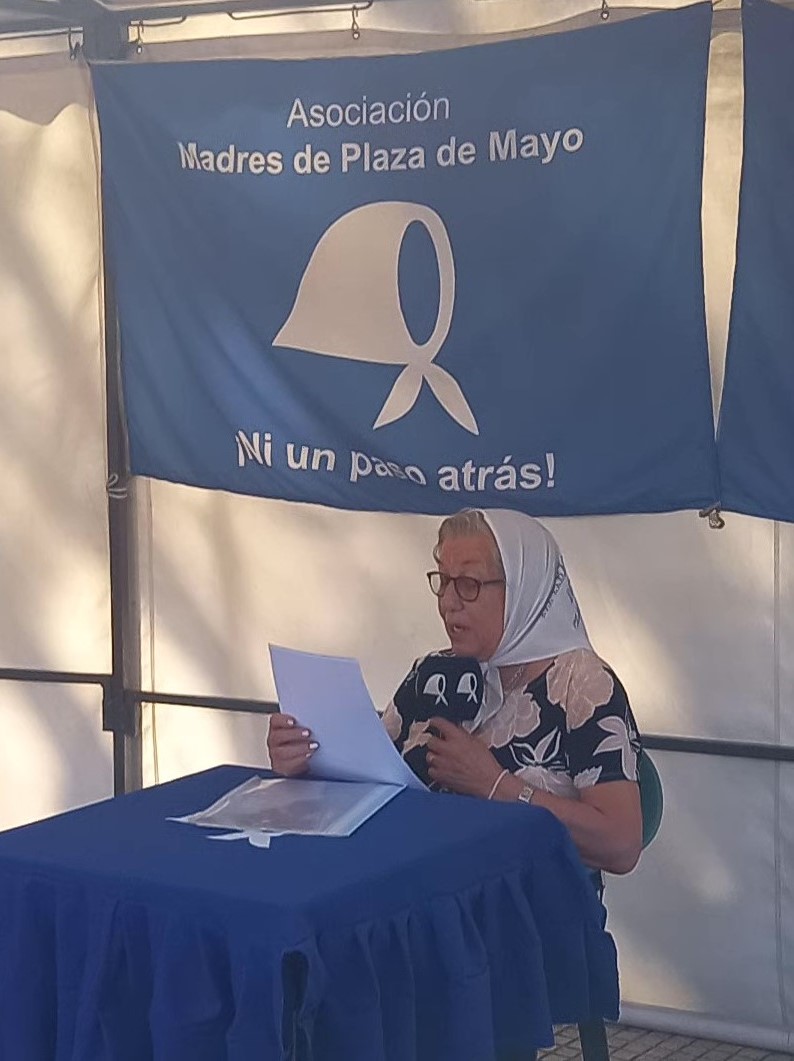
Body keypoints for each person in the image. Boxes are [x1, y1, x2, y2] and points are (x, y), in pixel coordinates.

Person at [268, 507, 642, 874]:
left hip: (528, 903)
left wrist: (494, 785)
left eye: (468, 584)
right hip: (419, 886)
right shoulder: (432, 672)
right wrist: (307, 763)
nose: (448, 603)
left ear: (523, 588)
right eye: (444, 581)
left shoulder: (583, 684)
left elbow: (620, 845)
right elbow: (372, 782)